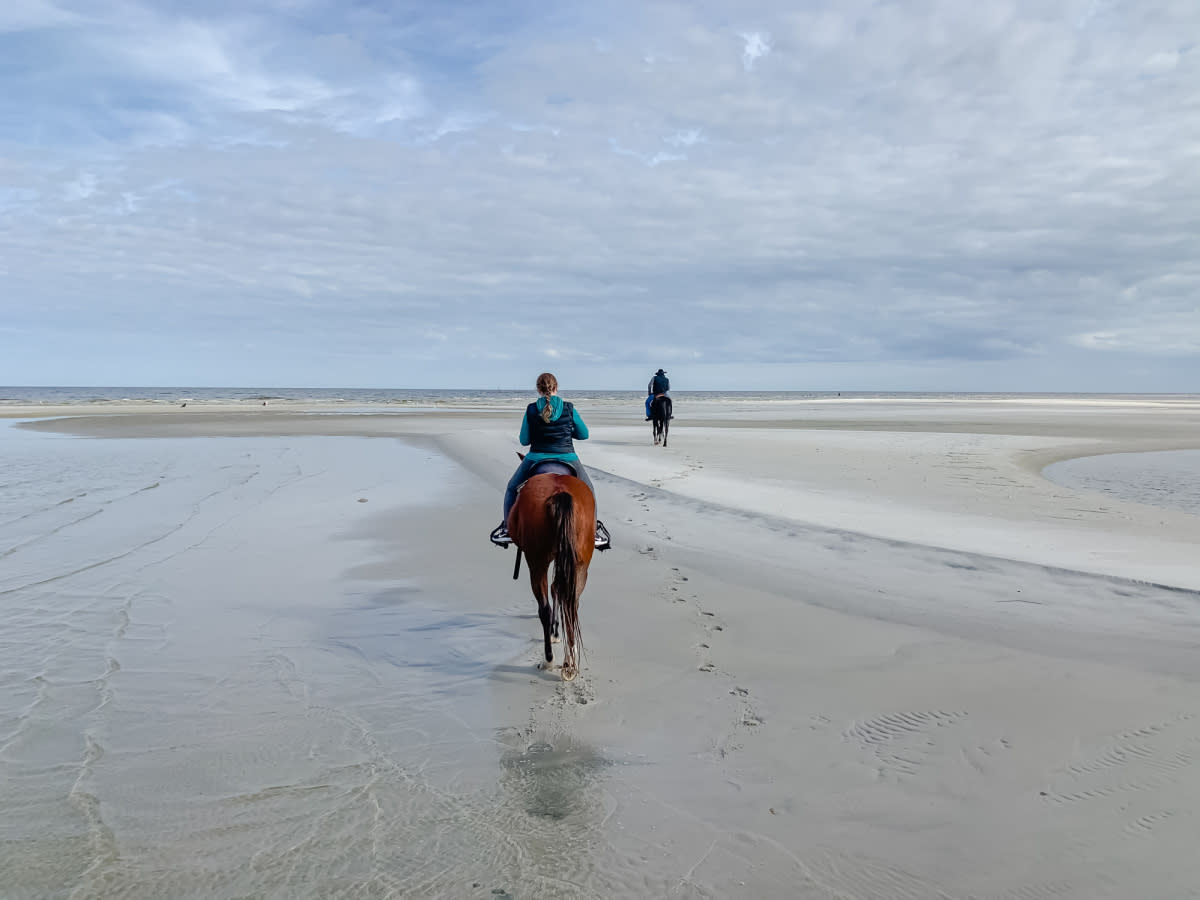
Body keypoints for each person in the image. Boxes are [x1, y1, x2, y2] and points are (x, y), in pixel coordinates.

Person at [491, 372, 611, 549]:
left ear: (538, 389)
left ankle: (508, 529)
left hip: (536, 458)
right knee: (589, 489)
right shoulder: (569, 408)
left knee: (511, 488)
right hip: (568, 458)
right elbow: (584, 434)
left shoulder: (532, 409)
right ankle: (593, 532)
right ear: (556, 387)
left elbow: (524, 440)